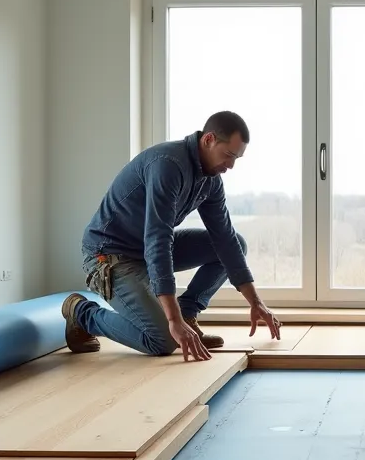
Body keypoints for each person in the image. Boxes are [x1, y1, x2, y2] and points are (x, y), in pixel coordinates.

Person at [61, 110, 281, 361]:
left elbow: (226, 241)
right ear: (209, 140)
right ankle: (82, 312)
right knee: (162, 341)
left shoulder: (210, 181)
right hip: (110, 256)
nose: (230, 166)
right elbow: (158, 240)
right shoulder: (167, 164)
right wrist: (171, 320)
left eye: (237, 158)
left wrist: (256, 302)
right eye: (228, 155)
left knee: (236, 245)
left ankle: (188, 316)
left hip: (145, 249)